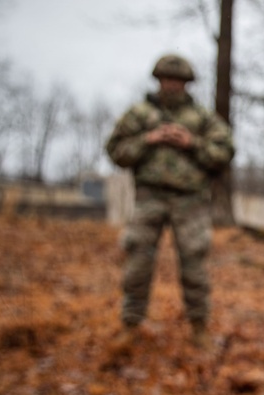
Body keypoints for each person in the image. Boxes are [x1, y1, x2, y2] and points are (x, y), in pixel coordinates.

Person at [105, 54, 234, 349]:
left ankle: (199, 327)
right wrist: (148, 140)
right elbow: (115, 150)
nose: (172, 85)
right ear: (158, 80)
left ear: (187, 84)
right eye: (166, 79)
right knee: (137, 259)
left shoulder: (202, 118)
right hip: (149, 197)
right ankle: (131, 324)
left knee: (195, 264)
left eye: (178, 80)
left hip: (190, 201)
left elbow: (225, 151)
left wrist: (192, 143)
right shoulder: (139, 115)